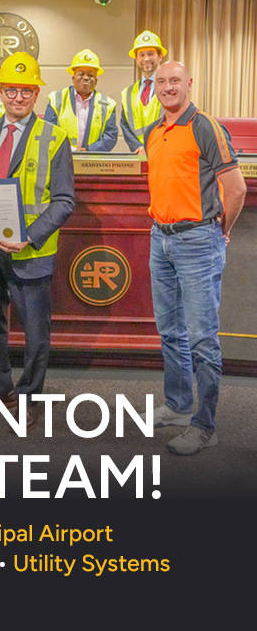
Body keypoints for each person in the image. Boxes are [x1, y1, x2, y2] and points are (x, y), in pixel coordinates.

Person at [0, 52, 75, 430]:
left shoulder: (55, 137)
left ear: (36, 93)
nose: (18, 98)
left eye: (26, 91)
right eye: (11, 90)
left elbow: (64, 201)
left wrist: (30, 236)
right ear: (0, 91)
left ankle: (28, 396)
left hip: (31, 250)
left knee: (35, 331)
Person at [144, 61, 246, 455]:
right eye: (161, 82)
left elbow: (235, 190)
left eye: (174, 81)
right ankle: (179, 406)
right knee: (169, 330)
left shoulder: (205, 126)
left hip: (198, 241)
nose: (168, 87)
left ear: (188, 84)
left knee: (202, 338)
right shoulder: (154, 131)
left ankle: (206, 425)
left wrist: (221, 231)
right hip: (160, 239)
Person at [44, 49, 118, 152]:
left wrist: (89, 150)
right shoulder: (56, 99)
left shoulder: (108, 104)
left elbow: (110, 136)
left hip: (93, 162)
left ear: (96, 80)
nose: (86, 77)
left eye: (91, 75)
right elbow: (48, 132)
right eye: (81, 73)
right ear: (73, 78)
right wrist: (72, 150)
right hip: (61, 159)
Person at [121, 30, 167, 153]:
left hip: (163, 152)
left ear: (160, 56)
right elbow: (125, 125)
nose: (146, 59)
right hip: (137, 154)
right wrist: (138, 148)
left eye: (151, 54)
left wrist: (149, 147)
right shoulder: (128, 93)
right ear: (136, 59)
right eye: (141, 55)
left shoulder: (170, 88)